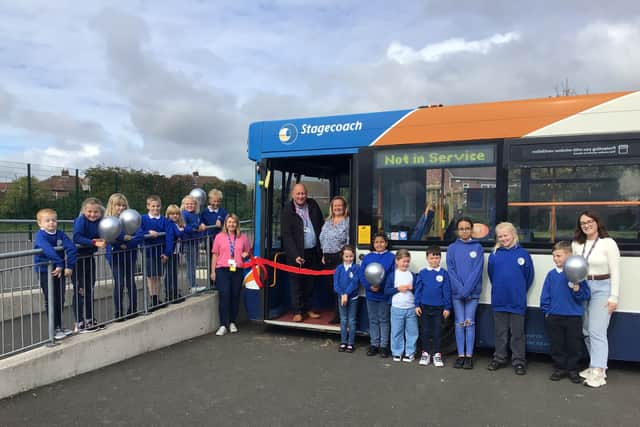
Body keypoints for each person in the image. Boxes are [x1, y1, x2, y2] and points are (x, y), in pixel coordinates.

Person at [572, 210, 620, 388]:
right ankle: (595, 366)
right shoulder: (577, 243)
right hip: (584, 287)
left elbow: (616, 271)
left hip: (602, 287)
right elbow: (575, 266)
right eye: (583, 223)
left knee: (597, 331)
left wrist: (613, 297)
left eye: (590, 221)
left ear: (597, 222)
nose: (586, 225)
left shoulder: (608, 243)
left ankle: (599, 371)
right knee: (585, 329)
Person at [487, 222, 534, 375]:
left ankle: (519, 361)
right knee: (500, 332)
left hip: (517, 300)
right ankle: (499, 358)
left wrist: (518, 290)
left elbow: (529, 276)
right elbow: (492, 275)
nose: (503, 238)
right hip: (499, 300)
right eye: (500, 236)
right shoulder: (494, 255)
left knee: (517, 334)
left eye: (505, 235)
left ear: (513, 235)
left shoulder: (523, 254)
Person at [540, 241, 591, 383]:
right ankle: (559, 368)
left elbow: (585, 295)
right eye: (554, 256)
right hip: (554, 316)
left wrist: (577, 289)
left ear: (569, 256)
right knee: (557, 345)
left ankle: (573, 370)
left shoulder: (577, 274)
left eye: (559, 256)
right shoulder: (551, 275)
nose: (556, 259)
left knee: (574, 345)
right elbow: (545, 295)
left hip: (573, 317)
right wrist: (547, 311)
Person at [280, 183, 324, 322]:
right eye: (298, 194)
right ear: (293, 195)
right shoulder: (288, 210)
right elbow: (287, 236)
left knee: (310, 283)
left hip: (312, 251)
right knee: (296, 283)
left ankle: (309, 309)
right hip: (297, 254)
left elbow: (321, 224)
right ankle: (298, 311)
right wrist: (295, 255)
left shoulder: (313, 205)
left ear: (307, 194)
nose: (301, 196)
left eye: (303, 193)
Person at [34, 208, 77, 340]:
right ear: (40, 223)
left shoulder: (60, 233)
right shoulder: (40, 235)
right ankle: (54, 328)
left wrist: (68, 265)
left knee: (60, 298)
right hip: (46, 271)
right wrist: (59, 263)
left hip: (59, 270)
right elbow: (47, 249)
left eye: (54, 220)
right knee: (51, 299)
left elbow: (71, 247)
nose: (51, 223)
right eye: (47, 221)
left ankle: (60, 326)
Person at [446, 216, 483, 369]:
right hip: (457, 294)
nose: (464, 231)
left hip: (472, 294)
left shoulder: (478, 248)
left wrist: (466, 290)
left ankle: (469, 356)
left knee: (470, 322)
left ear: (471, 229)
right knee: (459, 323)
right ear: (457, 231)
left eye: (467, 228)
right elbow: (451, 270)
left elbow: (477, 271)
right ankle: (460, 355)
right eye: (461, 229)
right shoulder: (452, 248)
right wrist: (461, 290)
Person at [211, 214, 251, 336]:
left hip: (237, 270)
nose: (231, 224)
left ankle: (232, 322)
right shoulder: (219, 237)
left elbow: (248, 251)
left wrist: (246, 254)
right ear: (225, 224)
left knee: (235, 296)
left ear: (237, 224)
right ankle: (223, 324)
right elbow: (215, 254)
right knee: (224, 295)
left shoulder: (243, 237)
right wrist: (213, 271)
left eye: (234, 222)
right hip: (222, 269)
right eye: (229, 222)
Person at [105, 193, 142, 320]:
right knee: (119, 283)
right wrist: (123, 239)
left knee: (130, 282)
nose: (121, 208)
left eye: (123, 206)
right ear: (112, 206)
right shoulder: (108, 220)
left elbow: (139, 235)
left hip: (130, 254)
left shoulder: (131, 218)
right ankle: (118, 312)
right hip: (115, 256)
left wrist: (128, 243)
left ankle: (133, 309)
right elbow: (110, 237)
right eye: (118, 205)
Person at [72, 197, 106, 333]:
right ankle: (79, 323)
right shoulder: (81, 220)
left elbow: (102, 236)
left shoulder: (100, 222)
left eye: (95, 212)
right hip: (78, 259)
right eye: (89, 211)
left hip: (89, 258)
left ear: (100, 212)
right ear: (84, 210)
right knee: (79, 291)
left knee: (89, 289)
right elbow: (77, 237)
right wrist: (94, 242)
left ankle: (89, 319)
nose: (92, 214)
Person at [359, 232, 395, 358]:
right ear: (373, 244)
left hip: (384, 294)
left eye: (382, 242)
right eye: (376, 242)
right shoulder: (368, 258)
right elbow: (362, 274)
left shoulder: (391, 257)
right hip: (371, 294)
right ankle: (374, 344)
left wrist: (381, 286)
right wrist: (369, 286)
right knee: (373, 320)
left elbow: (392, 275)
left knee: (384, 320)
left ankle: (384, 346)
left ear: (386, 243)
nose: (379, 244)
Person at [414, 245, 451, 367]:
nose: (434, 260)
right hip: (424, 307)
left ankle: (437, 354)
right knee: (424, 331)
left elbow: (446, 291)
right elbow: (418, 289)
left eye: (437, 258)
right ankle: (425, 353)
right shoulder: (423, 272)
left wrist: (447, 307)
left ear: (440, 258)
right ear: (427, 258)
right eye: (432, 258)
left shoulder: (444, 273)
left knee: (437, 332)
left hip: (439, 308)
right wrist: (417, 304)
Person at [141, 195, 175, 310]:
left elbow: (169, 236)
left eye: (158, 206)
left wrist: (167, 253)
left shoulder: (165, 221)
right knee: (151, 276)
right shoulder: (143, 219)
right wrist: (148, 231)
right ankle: (153, 298)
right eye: (153, 206)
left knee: (158, 276)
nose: (155, 208)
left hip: (161, 252)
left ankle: (158, 297)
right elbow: (138, 231)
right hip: (149, 251)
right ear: (148, 206)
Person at [319, 195, 350, 324]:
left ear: (344, 207)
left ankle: (341, 316)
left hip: (340, 257)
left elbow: (349, 240)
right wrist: (323, 254)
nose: (337, 207)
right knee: (332, 288)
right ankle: (336, 313)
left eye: (340, 205)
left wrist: (346, 257)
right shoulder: (328, 221)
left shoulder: (348, 221)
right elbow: (322, 238)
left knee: (340, 287)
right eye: (335, 205)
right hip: (327, 258)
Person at [384, 249, 418, 362]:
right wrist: (397, 289)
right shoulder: (392, 275)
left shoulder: (412, 275)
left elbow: (417, 291)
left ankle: (410, 352)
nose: (406, 264)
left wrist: (413, 289)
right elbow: (386, 291)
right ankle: (397, 352)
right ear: (397, 261)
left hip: (411, 308)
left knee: (412, 332)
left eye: (408, 261)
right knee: (396, 331)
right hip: (396, 308)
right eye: (403, 261)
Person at [333, 245, 359, 353]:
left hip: (352, 298)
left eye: (351, 256)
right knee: (343, 320)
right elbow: (336, 284)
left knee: (352, 320)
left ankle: (351, 343)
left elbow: (355, 282)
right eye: (346, 256)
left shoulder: (356, 268)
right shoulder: (339, 268)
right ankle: (343, 341)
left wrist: (347, 294)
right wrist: (342, 294)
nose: (349, 259)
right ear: (342, 256)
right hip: (341, 297)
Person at [200, 189, 227, 289]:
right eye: (214, 201)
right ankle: (212, 282)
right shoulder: (204, 212)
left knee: (221, 261)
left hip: (221, 241)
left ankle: (220, 281)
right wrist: (201, 224)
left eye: (218, 201)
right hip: (209, 241)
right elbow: (200, 221)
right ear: (210, 200)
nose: (216, 203)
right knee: (211, 261)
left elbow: (225, 218)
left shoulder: (222, 211)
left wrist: (220, 220)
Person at [181, 195, 205, 293]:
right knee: (191, 264)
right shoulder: (183, 214)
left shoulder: (196, 214)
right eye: (187, 204)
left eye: (192, 204)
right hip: (188, 242)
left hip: (195, 242)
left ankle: (194, 284)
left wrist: (201, 224)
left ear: (195, 205)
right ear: (184, 205)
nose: (190, 205)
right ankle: (192, 286)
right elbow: (184, 226)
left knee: (194, 264)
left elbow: (200, 222)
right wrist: (196, 227)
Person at [165, 204, 185, 303]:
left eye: (177, 214)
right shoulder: (170, 223)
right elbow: (178, 233)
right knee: (169, 273)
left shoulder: (179, 223)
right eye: (172, 214)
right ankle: (169, 293)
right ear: (168, 215)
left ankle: (174, 291)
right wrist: (182, 230)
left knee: (174, 272)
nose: (175, 216)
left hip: (176, 252)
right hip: (170, 252)